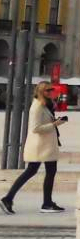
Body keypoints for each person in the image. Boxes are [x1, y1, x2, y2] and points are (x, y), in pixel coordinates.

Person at [1, 82, 67, 214]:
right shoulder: (36, 107)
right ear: (41, 92)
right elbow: (35, 128)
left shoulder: (45, 105)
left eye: (51, 90)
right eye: (48, 90)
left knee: (46, 171)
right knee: (33, 171)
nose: (50, 92)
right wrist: (56, 124)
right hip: (40, 145)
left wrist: (55, 120)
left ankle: (45, 202)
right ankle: (10, 199)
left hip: (46, 145)